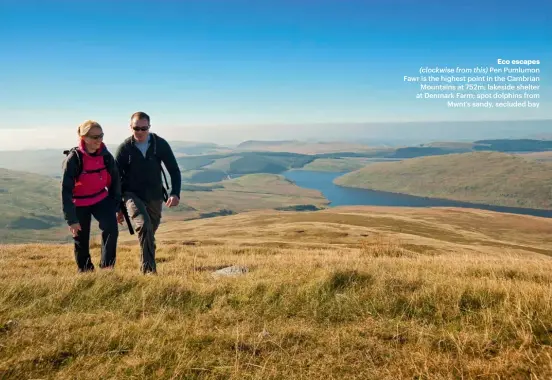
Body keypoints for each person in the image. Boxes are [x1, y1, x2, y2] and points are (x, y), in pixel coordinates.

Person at [114, 111, 182, 274]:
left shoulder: (160, 144)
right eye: (137, 128)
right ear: (131, 127)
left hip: (155, 195)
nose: (140, 132)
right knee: (144, 226)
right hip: (131, 194)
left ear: (149, 127)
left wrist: (175, 193)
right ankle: (149, 271)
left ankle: (147, 261)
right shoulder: (125, 148)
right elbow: (115, 179)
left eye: (144, 128)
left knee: (150, 230)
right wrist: (118, 207)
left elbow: (174, 169)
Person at [61, 120, 121, 272]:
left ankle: (107, 267)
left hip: (101, 198)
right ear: (84, 138)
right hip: (79, 203)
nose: (99, 140)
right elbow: (66, 191)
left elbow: (115, 181)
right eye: (95, 137)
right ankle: (86, 270)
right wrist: (71, 220)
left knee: (111, 228)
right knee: (81, 237)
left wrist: (116, 206)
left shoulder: (106, 156)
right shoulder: (74, 159)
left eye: (101, 136)